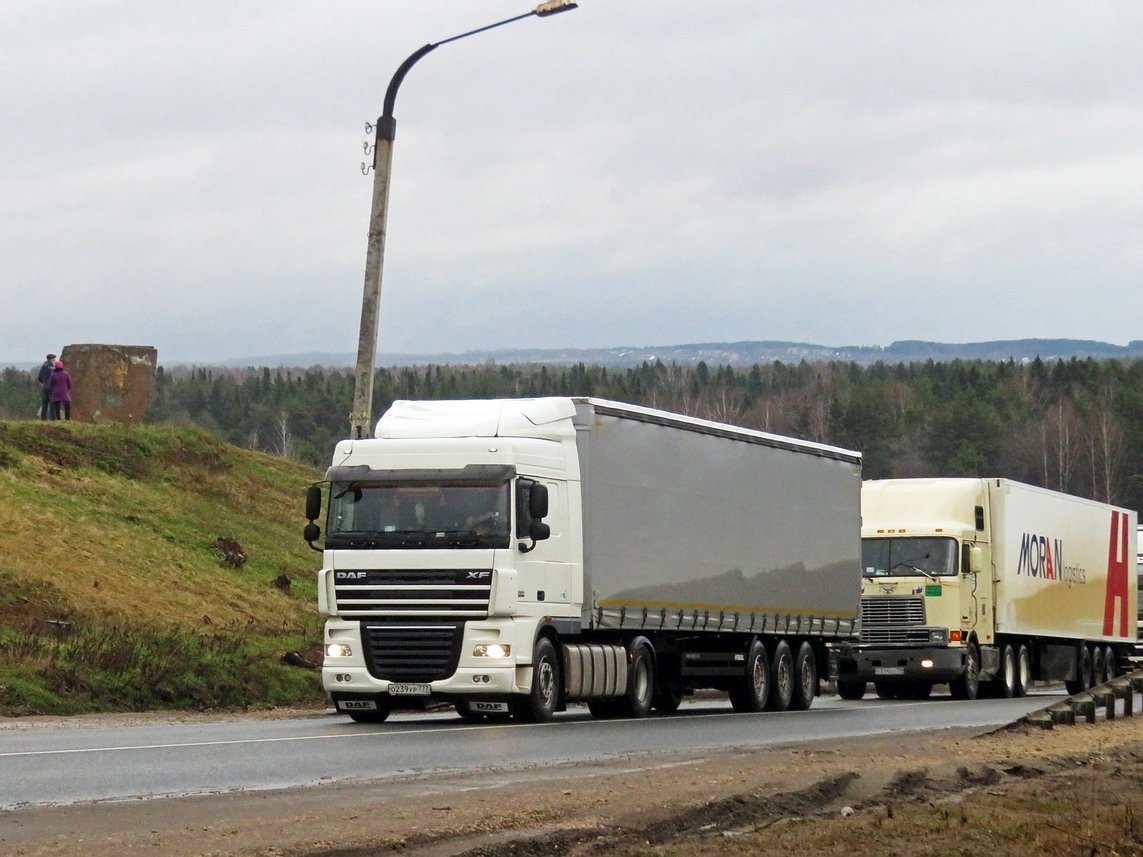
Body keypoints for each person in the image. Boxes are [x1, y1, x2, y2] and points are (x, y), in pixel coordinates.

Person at [35, 353, 56, 420]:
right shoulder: (51, 368)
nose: (55, 360)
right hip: (50, 387)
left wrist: (44, 383)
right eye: (54, 358)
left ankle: (43, 418)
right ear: (51, 359)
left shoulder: (43, 367)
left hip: (44, 387)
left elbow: (39, 378)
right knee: (52, 403)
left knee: (44, 403)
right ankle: (52, 418)